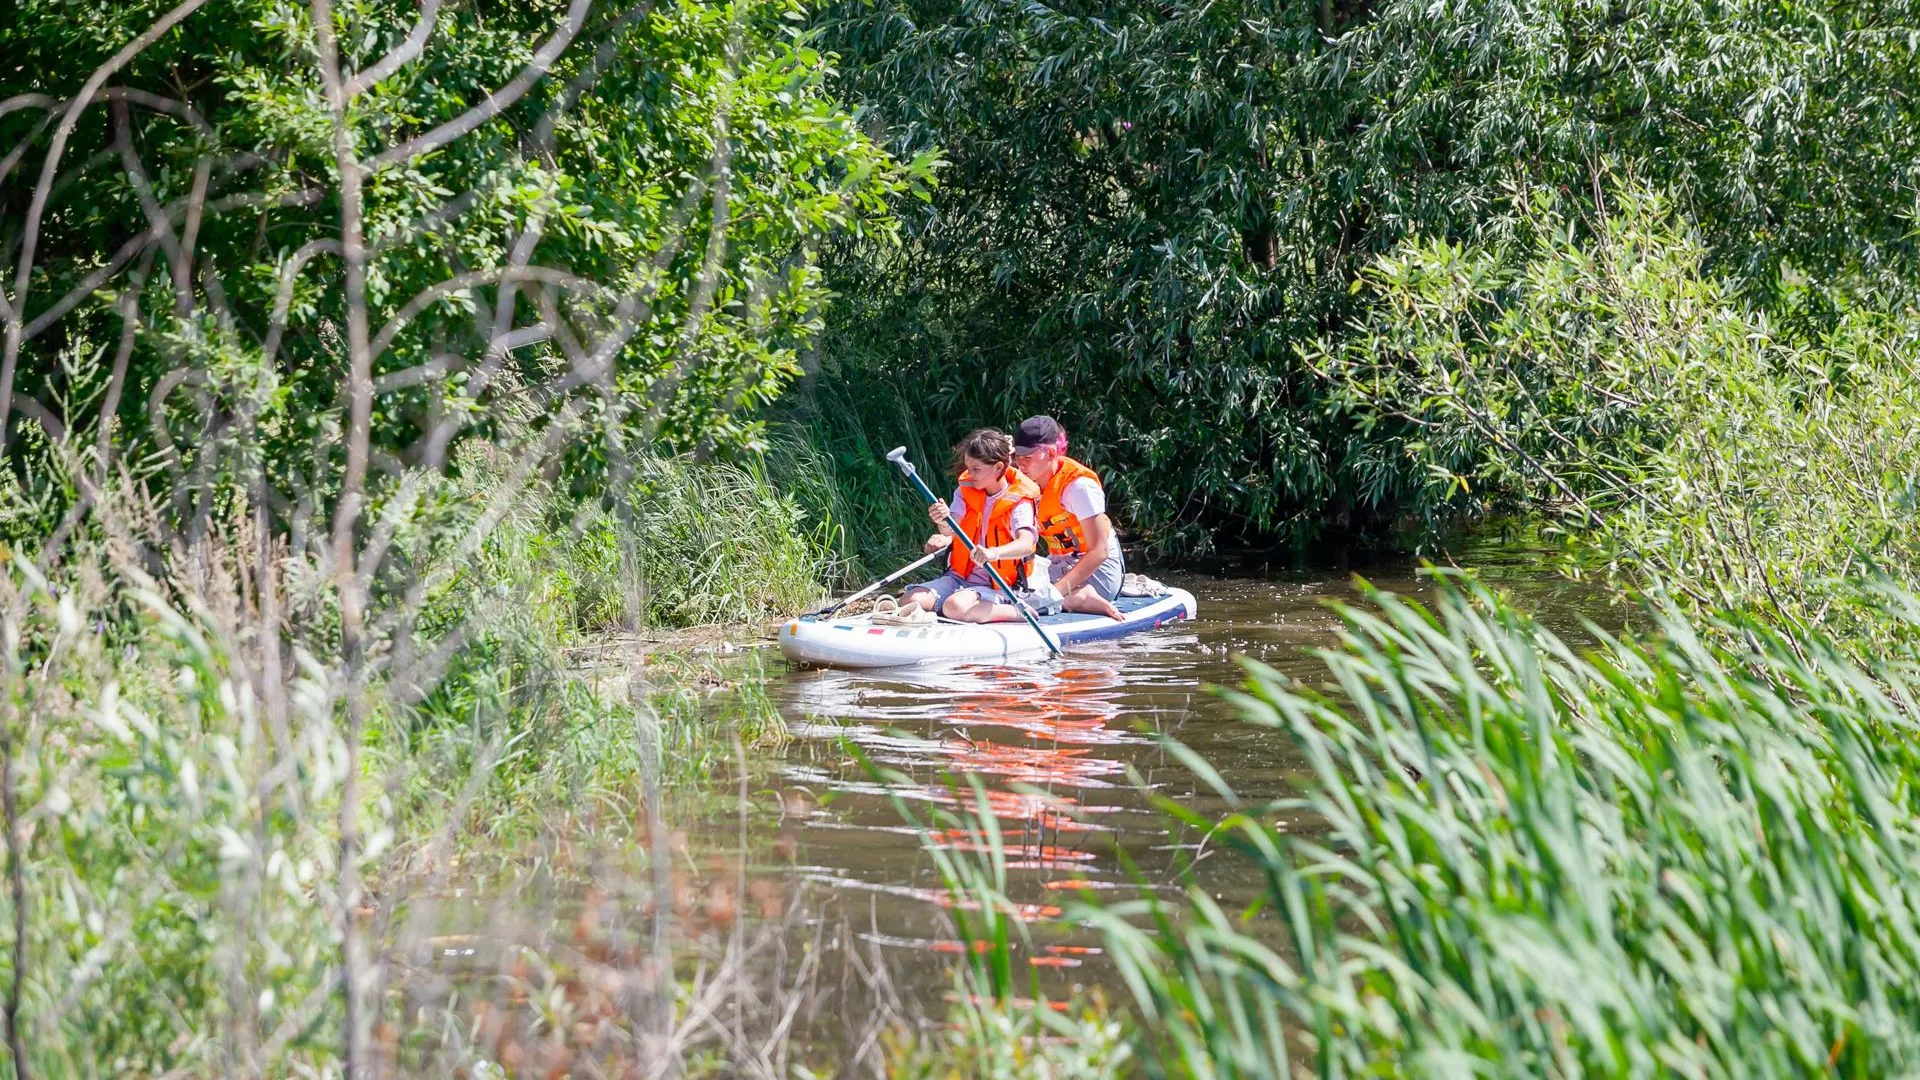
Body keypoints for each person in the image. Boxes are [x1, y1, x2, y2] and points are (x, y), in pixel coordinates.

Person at [900, 428, 1045, 624]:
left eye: (976, 469)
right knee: (909, 600)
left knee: (954, 607)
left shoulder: (1019, 500)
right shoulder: (965, 490)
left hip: (997, 584)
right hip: (959, 576)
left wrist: (993, 553)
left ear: (998, 467)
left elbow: (1026, 544)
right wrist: (942, 520)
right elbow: (949, 530)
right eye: (968, 467)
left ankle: (1017, 611)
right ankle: (954, 609)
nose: (970, 474)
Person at [1010, 415, 1124, 620]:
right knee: (1013, 592)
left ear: (1051, 453)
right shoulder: (1026, 483)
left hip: (1098, 571)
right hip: (1059, 562)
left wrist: (1055, 592)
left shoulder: (1079, 487)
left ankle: (1083, 597)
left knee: (1043, 600)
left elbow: (1100, 551)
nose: (1020, 465)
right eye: (1017, 458)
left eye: (1027, 458)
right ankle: (1068, 595)